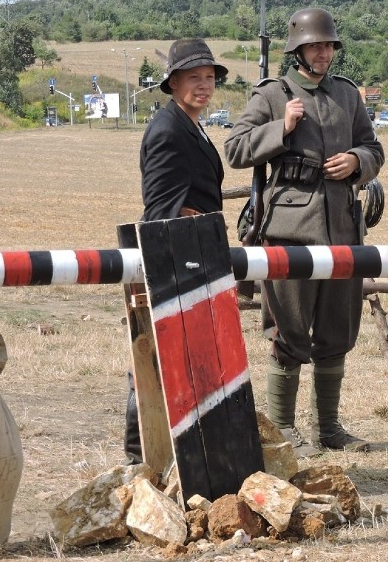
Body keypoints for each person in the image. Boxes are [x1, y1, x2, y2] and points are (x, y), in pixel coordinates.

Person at [224, 8, 385, 456]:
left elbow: (373, 147)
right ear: (297, 50)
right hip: (290, 228)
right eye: (315, 45)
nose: (324, 53)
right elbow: (235, 149)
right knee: (289, 331)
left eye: (329, 45)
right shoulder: (274, 94)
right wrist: (282, 127)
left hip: (343, 227)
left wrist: (357, 162)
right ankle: (282, 431)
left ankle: (329, 429)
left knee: (337, 330)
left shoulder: (349, 96)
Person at [126, 38, 228, 463]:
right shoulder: (168, 129)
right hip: (175, 254)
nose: (203, 86)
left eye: (209, 78)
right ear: (172, 83)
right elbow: (160, 206)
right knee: (157, 355)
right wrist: (188, 224)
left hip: (196, 250)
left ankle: (180, 449)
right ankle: (138, 453)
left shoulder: (190, 123)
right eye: (193, 78)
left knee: (184, 355)